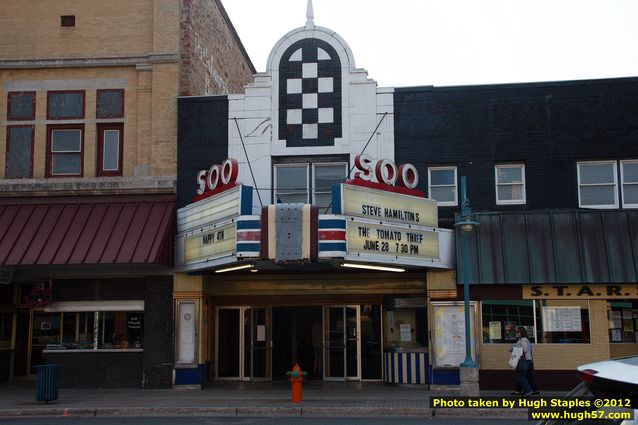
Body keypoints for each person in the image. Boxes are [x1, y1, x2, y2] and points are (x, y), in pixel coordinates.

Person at [512, 326, 535, 397]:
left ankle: (528, 390)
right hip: (524, 360)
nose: (517, 333)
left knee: (520, 376)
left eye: (518, 332)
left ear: (521, 332)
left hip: (523, 361)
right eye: (516, 332)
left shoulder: (523, 340)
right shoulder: (521, 340)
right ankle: (524, 391)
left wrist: (515, 349)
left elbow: (525, 349)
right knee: (522, 376)